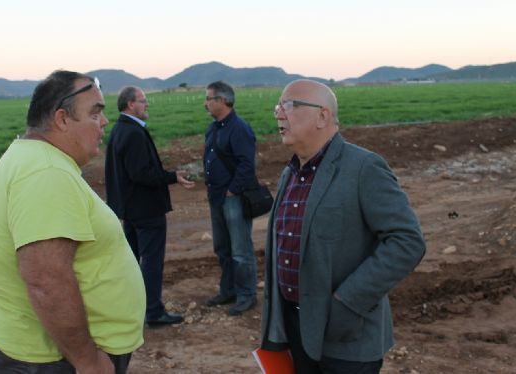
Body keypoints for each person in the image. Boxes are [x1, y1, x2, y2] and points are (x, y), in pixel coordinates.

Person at [0, 70, 145, 374]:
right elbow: (46, 280)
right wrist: (87, 361)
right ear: (62, 119)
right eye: (95, 113)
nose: (104, 122)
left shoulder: (35, 160)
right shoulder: (45, 173)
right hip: (55, 361)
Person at [260, 79, 426, 373]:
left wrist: (346, 303)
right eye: (278, 106)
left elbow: (407, 241)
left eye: (289, 105)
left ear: (322, 115)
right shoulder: (292, 173)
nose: (279, 114)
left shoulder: (364, 168)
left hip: (348, 336)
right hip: (297, 329)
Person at [105, 86, 195, 327]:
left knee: (133, 262)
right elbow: (141, 174)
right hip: (146, 210)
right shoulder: (133, 133)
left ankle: (132, 309)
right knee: (151, 262)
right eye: (143, 101)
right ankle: (153, 312)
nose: (147, 105)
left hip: (129, 210)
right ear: (130, 105)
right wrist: (172, 176)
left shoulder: (119, 129)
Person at [202, 81, 259, 316]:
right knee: (222, 248)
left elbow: (248, 164)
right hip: (216, 197)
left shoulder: (239, 128)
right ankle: (228, 291)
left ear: (223, 101)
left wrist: (232, 190)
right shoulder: (213, 128)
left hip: (232, 197)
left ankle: (247, 295)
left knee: (240, 251)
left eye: (209, 99)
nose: (205, 103)